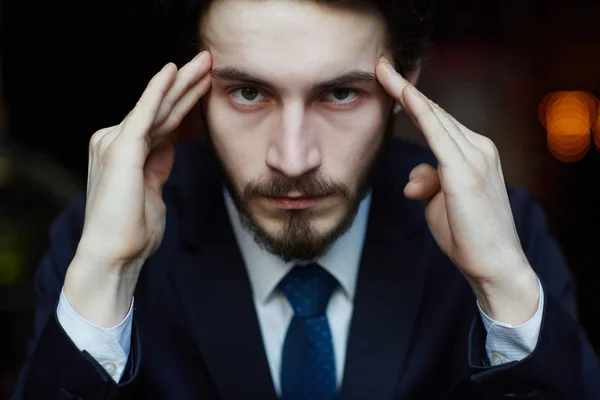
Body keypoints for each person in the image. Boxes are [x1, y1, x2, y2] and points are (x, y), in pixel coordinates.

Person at [11, 0, 600, 398]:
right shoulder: (96, 237)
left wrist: (501, 285)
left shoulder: (509, 234)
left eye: (341, 93)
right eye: (247, 92)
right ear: (190, 90)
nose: (293, 160)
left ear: (408, 83)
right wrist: (107, 275)